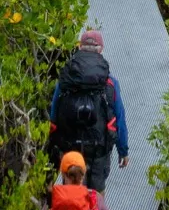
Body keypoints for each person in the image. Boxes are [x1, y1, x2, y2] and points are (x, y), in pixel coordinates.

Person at [48, 27, 130, 193]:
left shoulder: (65, 81)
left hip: (70, 149)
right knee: (97, 197)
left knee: (71, 194)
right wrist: (123, 150)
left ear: (79, 47)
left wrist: (53, 152)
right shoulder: (109, 82)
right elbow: (119, 118)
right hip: (98, 150)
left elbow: (54, 116)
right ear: (101, 50)